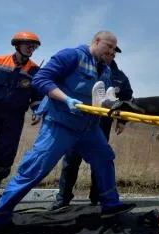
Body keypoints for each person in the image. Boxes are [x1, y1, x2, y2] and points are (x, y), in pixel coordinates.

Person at [0, 31, 136, 234]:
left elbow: (101, 97)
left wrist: (112, 107)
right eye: (109, 46)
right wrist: (65, 99)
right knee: (35, 169)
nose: (112, 51)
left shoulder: (106, 70)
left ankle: (110, 206)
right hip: (61, 124)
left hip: (89, 128)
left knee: (105, 158)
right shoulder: (71, 56)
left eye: (114, 49)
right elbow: (42, 79)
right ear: (96, 41)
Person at [49, 46, 133, 211]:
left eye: (112, 52)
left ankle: (99, 197)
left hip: (101, 125)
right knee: (71, 161)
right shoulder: (85, 68)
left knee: (100, 162)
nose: (109, 54)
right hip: (78, 121)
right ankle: (63, 199)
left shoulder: (120, 77)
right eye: (107, 51)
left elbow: (127, 98)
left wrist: (122, 121)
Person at [0, 31, 43, 207]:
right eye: (28, 44)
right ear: (17, 45)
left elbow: (36, 95)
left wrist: (37, 111)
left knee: (5, 153)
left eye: (34, 46)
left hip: (13, 117)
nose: (31, 48)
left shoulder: (35, 70)